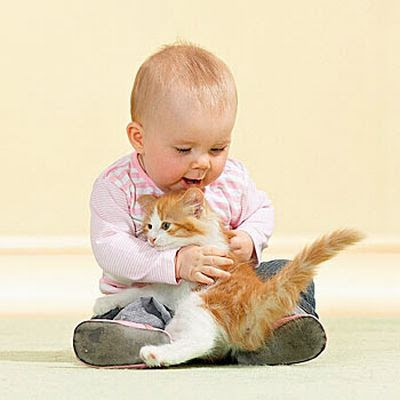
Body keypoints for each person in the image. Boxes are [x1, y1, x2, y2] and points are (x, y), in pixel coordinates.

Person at [72, 42, 326, 368]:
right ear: (139, 138)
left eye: (217, 148)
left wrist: (248, 238)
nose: (202, 164)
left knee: (287, 273)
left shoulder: (232, 178)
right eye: (183, 150)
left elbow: (262, 210)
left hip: (231, 296)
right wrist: (175, 264)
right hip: (153, 296)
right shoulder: (118, 185)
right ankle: (134, 336)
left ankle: (280, 328)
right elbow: (111, 247)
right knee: (140, 308)